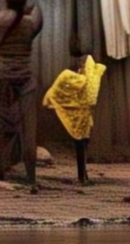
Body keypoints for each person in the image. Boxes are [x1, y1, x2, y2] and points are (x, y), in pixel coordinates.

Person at [0, 0, 44, 189]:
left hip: (3, 78)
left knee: (3, 125)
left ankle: (1, 172)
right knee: (29, 131)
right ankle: (31, 179)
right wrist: (32, 7)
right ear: (23, 0)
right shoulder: (29, 23)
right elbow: (39, 19)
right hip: (25, 80)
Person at [42, 53, 106, 186]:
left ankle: (83, 176)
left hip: (83, 119)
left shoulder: (80, 80)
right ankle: (82, 177)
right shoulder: (78, 79)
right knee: (81, 147)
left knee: (82, 147)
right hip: (80, 119)